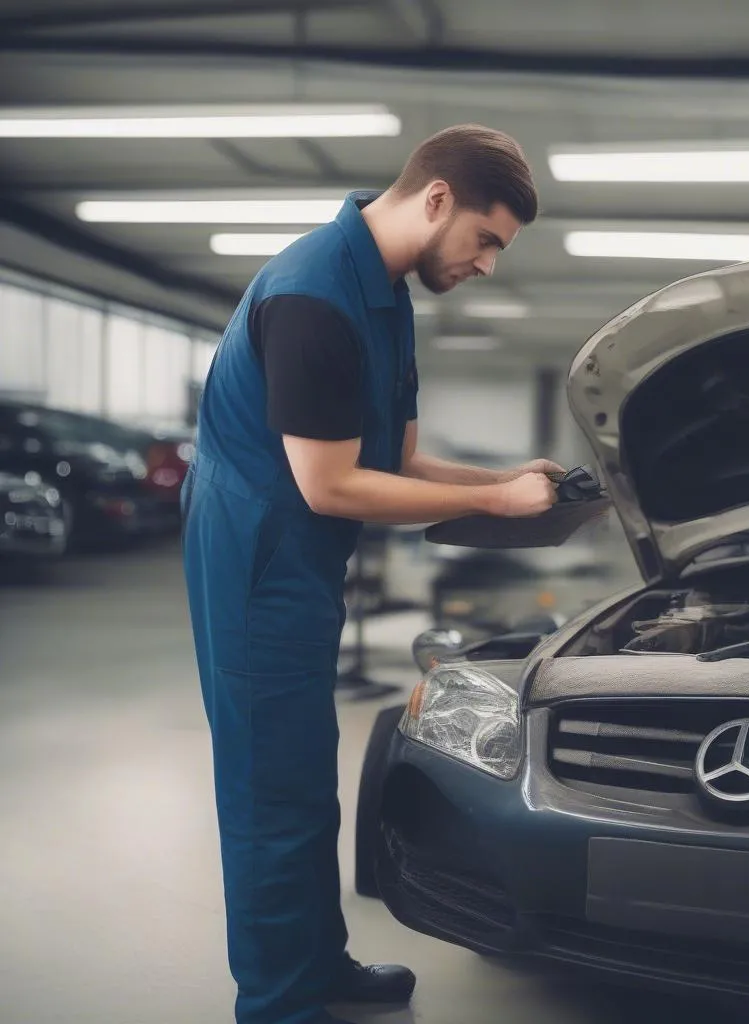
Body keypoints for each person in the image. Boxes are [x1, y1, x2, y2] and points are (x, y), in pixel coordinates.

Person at [180, 124, 561, 1024]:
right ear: (437, 201)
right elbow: (330, 483)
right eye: (487, 240)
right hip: (256, 562)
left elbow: (403, 462)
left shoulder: (386, 297)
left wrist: (507, 482)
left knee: (308, 781)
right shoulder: (314, 293)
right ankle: (277, 1002)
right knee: (272, 790)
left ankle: (316, 964)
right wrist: (501, 508)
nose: (488, 265)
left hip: (301, 560)